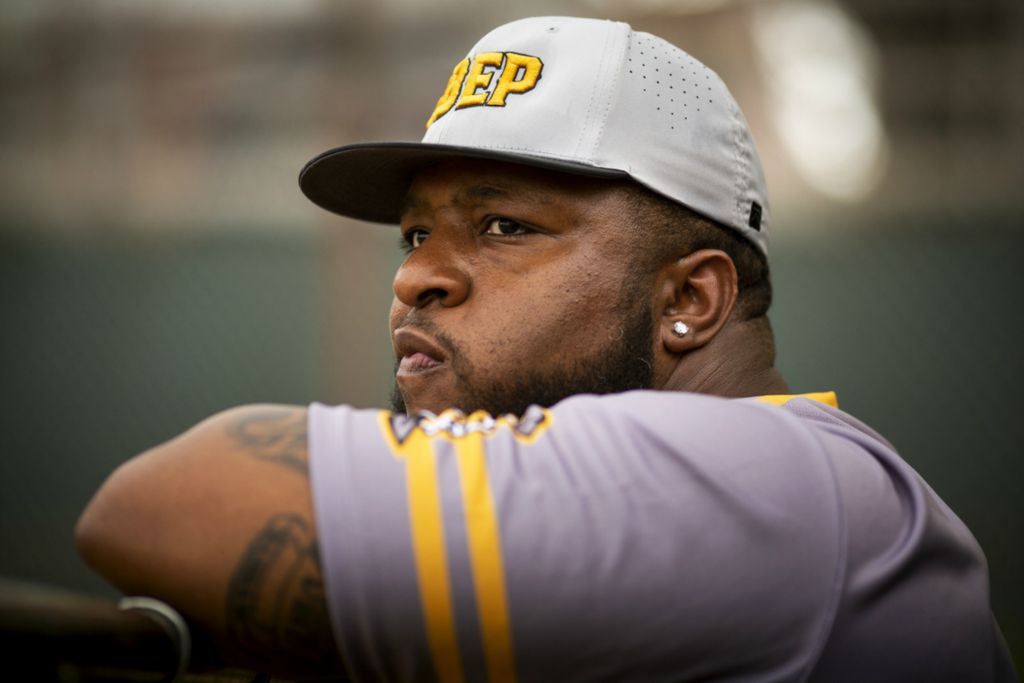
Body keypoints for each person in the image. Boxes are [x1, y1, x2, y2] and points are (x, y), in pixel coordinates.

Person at [76, 16, 1016, 683]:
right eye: (414, 236)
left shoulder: (770, 478)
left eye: (501, 226)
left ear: (690, 298)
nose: (416, 279)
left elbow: (155, 506)